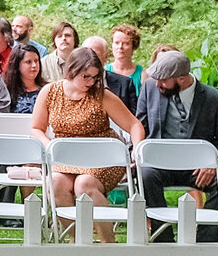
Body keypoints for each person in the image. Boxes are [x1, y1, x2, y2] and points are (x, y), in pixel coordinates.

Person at [31, 44, 144, 237]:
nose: (91, 82)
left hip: (101, 158)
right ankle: (77, 239)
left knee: (84, 185)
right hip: (66, 158)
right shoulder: (50, 92)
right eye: (86, 77)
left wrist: (137, 149)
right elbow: (36, 128)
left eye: (95, 77)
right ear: (72, 71)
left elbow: (134, 125)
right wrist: (50, 145)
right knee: (55, 183)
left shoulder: (102, 96)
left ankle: (107, 242)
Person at [134, 48, 218, 240]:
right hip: (160, 165)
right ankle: (162, 238)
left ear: (181, 78)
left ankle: (206, 241)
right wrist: (136, 152)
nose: (158, 84)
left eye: (163, 80)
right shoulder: (150, 89)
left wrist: (211, 164)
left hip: (197, 170)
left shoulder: (215, 99)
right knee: (145, 175)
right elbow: (141, 127)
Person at [87, 35, 139, 110]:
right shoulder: (72, 84)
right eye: (85, 55)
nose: (89, 59)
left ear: (106, 56)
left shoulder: (125, 84)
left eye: (95, 55)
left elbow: (134, 117)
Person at [0, 42, 46, 114]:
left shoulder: (47, 89)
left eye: (36, 61)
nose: (34, 65)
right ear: (17, 65)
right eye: (28, 62)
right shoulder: (6, 91)